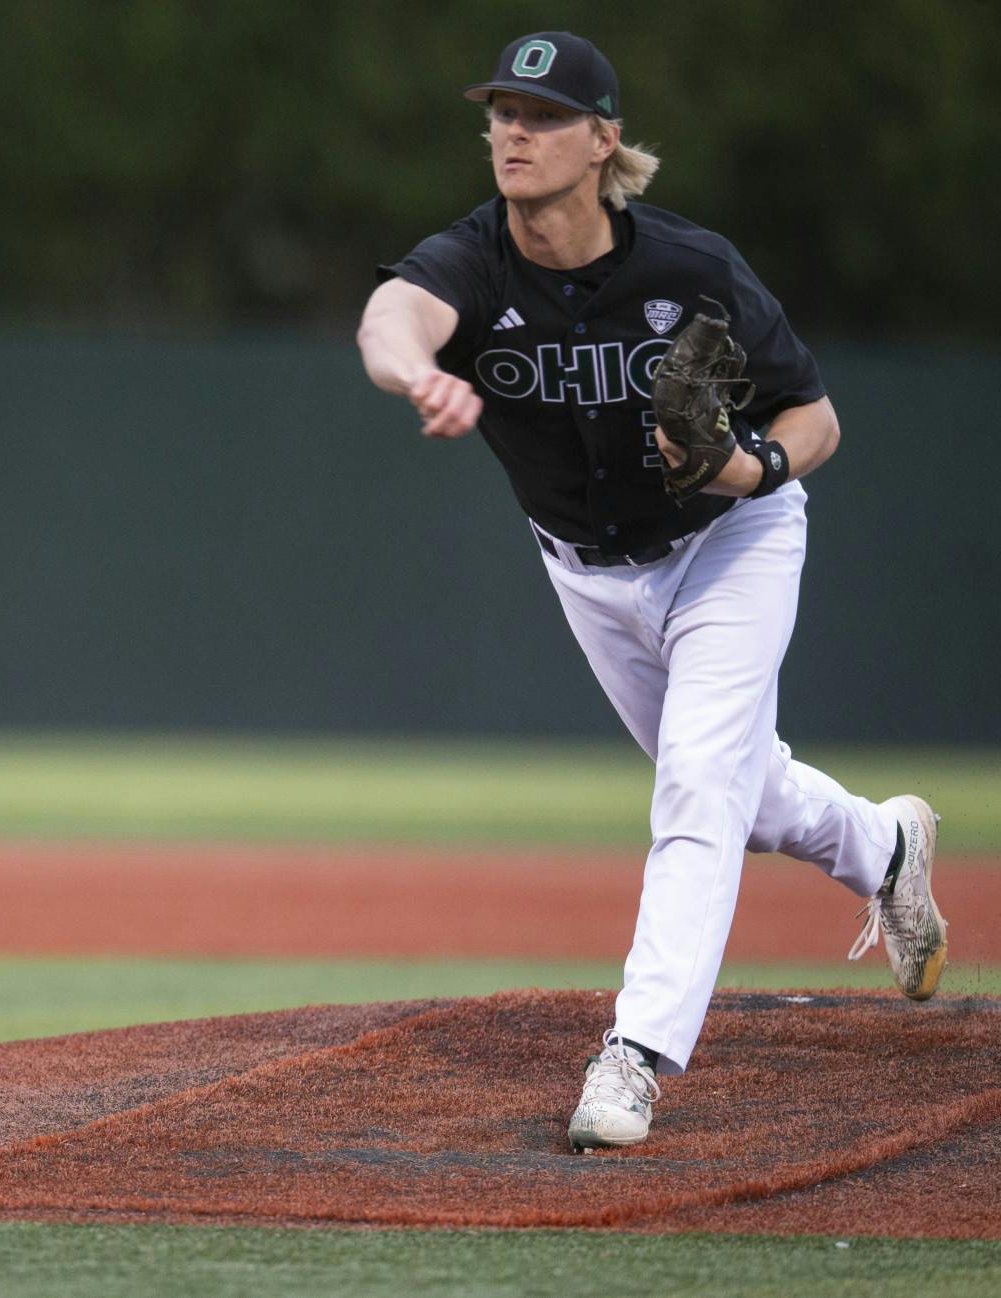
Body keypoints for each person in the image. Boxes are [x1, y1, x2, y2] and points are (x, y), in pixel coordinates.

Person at [355, 31, 948, 1151]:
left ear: (602, 140)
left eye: (539, 115)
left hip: (730, 539)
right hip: (587, 570)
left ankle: (633, 1054)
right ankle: (884, 849)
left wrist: (749, 466)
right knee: (743, 790)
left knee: (693, 785)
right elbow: (392, 316)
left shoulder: (688, 266)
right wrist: (412, 369)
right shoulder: (472, 261)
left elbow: (810, 416)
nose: (512, 132)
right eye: (499, 113)